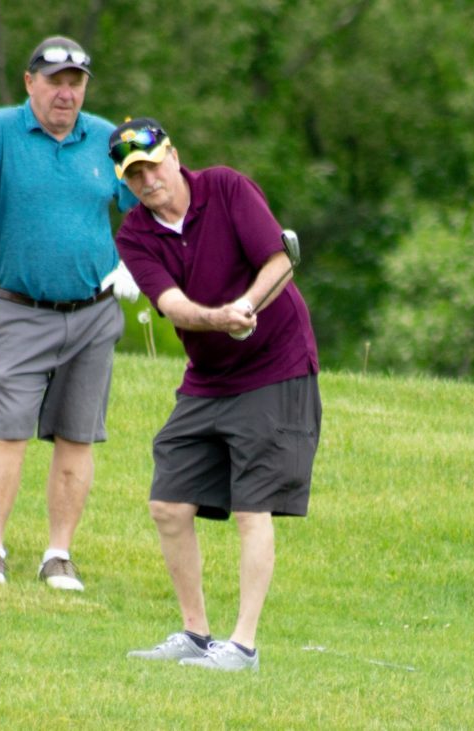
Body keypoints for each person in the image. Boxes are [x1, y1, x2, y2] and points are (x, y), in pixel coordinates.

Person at [0, 36, 140, 591]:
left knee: (77, 436)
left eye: (76, 82)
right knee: (9, 428)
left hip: (93, 312)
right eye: (55, 81)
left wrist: (139, 268)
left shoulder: (108, 141)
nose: (66, 93)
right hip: (20, 310)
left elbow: (146, 210)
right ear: (29, 82)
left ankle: (58, 555)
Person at [112, 118, 321, 672]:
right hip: (209, 374)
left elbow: (280, 262)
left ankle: (243, 647)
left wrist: (245, 308)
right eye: (135, 173)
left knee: (254, 506)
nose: (149, 179)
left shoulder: (226, 188)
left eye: (153, 164)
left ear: (174, 154)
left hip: (275, 364)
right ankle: (195, 634)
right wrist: (219, 319)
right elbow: (173, 305)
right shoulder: (135, 234)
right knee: (168, 503)